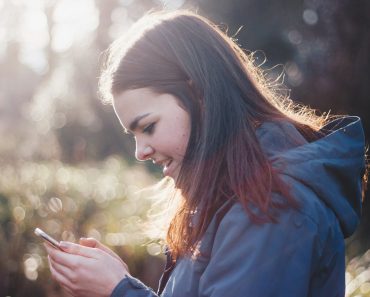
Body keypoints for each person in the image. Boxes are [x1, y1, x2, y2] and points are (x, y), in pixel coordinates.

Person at [44, 9, 367, 297]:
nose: (141, 152)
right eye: (134, 134)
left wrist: (119, 290)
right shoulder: (238, 196)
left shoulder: (271, 207)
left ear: (199, 94)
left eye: (149, 126)